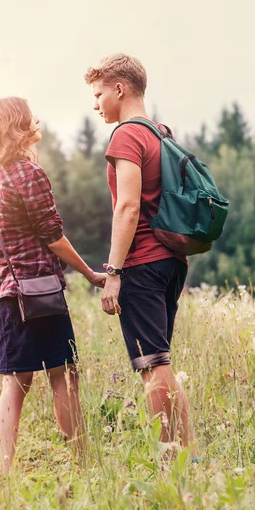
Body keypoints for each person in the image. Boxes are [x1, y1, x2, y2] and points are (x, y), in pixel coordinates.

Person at [0, 96, 105, 473]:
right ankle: (82, 463)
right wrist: (92, 274)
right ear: (17, 126)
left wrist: (6, 277)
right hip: (40, 291)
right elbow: (53, 236)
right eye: (30, 117)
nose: (36, 121)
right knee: (63, 374)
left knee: (14, 382)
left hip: (4, 295)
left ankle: (5, 472)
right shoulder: (28, 174)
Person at [84, 54, 196, 452]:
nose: (95, 104)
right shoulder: (159, 132)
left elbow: (128, 206)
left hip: (143, 264)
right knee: (161, 363)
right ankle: (189, 454)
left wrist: (114, 271)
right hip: (171, 261)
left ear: (120, 88)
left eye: (98, 94)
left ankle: (171, 461)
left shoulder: (126, 136)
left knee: (152, 367)